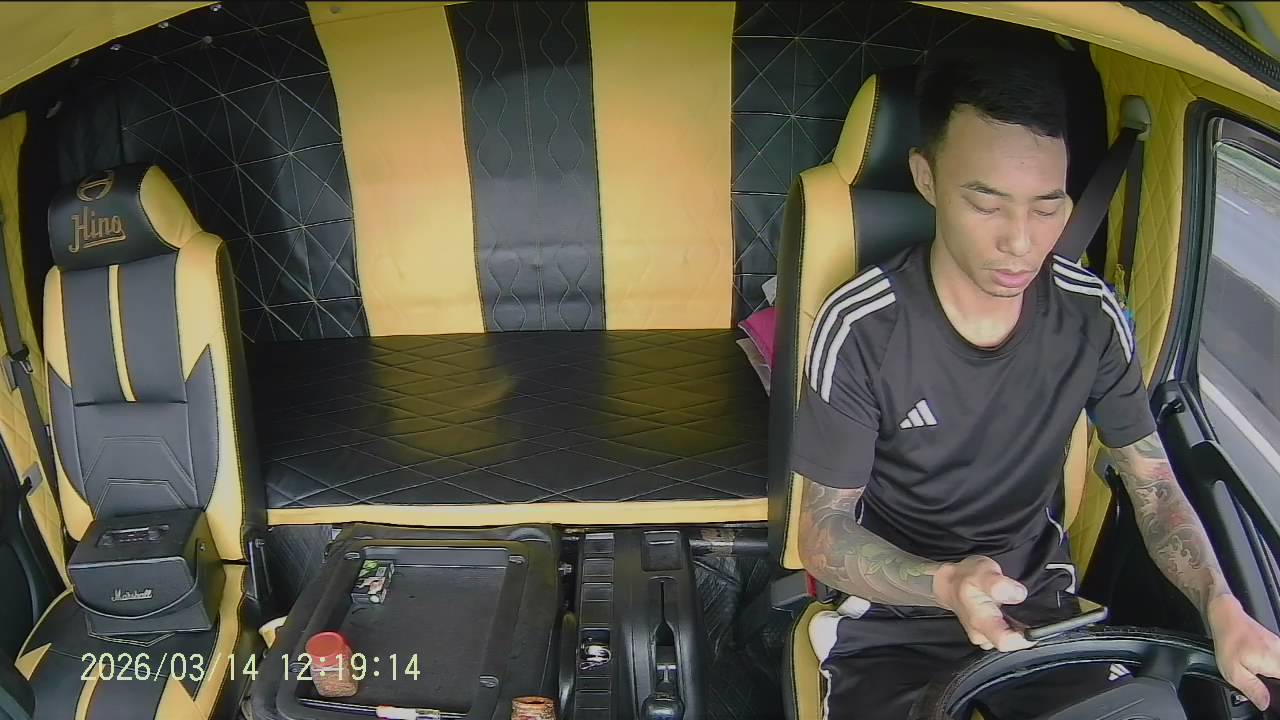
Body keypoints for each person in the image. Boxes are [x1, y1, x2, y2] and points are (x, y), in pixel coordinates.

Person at [792, 51, 1280, 719]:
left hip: (1039, 608)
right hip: (892, 621)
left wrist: (1222, 607)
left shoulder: (1092, 316)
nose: (1021, 243)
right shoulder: (861, 326)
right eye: (985, 204)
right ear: (926, 178)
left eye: (1047, 207)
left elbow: (1154, 487)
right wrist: (946, 584)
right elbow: (823, 532)